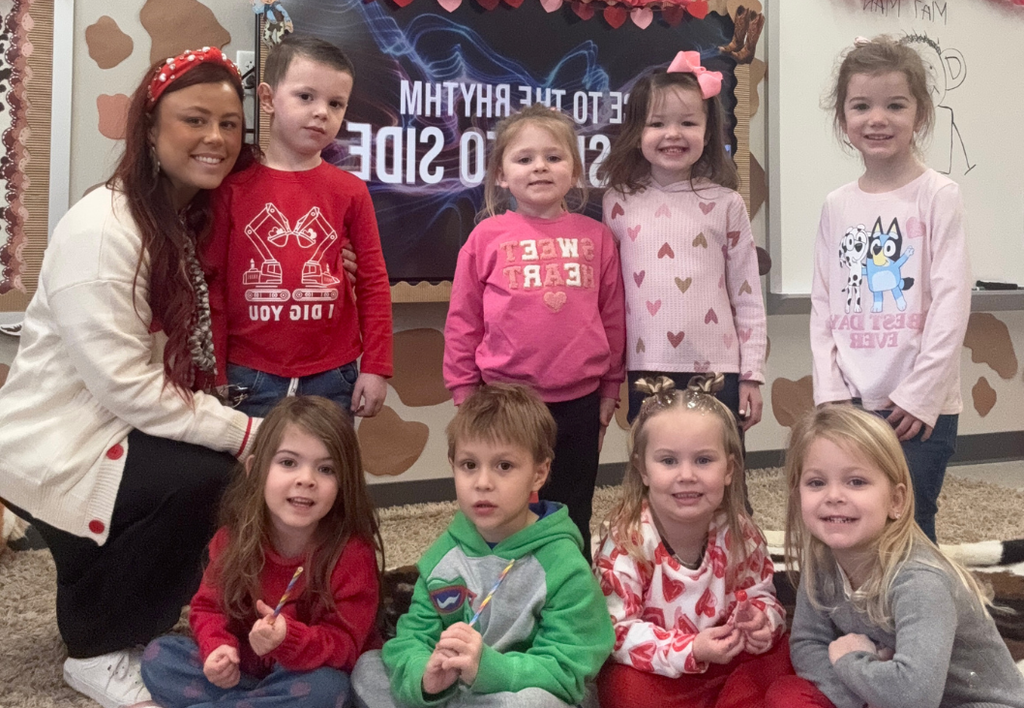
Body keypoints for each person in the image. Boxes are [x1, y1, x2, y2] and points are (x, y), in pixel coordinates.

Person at [0, 48, 260, 707]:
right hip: (62, 441)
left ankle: (109, 606)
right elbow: (128, 387)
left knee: (208, 468)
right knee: (212, 477)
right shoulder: (105, 228)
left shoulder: (175, 219)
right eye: (195, 119)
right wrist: (245, 433)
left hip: (105, 426)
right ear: (149, 128)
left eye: (230, 123)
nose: (216, 138)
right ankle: (96, 648)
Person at [350, 383, 615, 708]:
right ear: (452, 465)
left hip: (522, 689)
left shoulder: (564, 564)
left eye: (504, 466)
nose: (483, 483)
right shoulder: (444, 556)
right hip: (456, 691)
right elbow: (413, 637)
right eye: (469, 465)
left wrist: (489, 668)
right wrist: (425, 677)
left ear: (539, 473)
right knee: (369, 668)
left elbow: (569, 669)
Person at [443, 104, 626, 560]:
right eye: (524, 159)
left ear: (575, 171)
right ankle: (502, 585)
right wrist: (465, 394)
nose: (539, 167)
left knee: (572, 508)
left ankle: (569, 586)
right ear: (501, 175)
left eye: (553, 157)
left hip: (580, 404)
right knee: (504, 507)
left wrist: (610, 388)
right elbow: (463, 322)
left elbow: (613, 317)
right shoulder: (485, 238)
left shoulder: (598, 237)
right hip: (505, 402)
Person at [809, 36, 971, 543]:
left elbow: (951, 301)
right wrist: (830, 391)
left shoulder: (939, 195)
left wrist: (921, 394)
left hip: (918, 409)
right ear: (843, 119)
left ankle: (920, 600)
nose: (877, 119)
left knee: (911, 526)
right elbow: (824, 304)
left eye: (895, 105)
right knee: (850, 524)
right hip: (850, 400)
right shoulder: (837, 204)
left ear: (920, 114)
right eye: (861, 106)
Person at [767, 405, 1024, 708]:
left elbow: (914, 698)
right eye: (816, 483)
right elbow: (807, 643)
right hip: (889, 691)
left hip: (973, 703)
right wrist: (859, 695)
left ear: (896, 501)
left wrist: (851, 660)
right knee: (782, 693)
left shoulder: (920, 582)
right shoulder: (821, 560)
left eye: (856, 481)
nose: (833, 496)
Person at [141, 395, 383, 708]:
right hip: (247, 671)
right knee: (159, 657)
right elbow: (208, 608)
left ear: (343, 483)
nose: (306, 480)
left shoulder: (352, 554)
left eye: (326, 469)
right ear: (255, 469)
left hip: (306, 674)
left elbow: (346, 648)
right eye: (288, 462)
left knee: (329, 688)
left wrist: (288, 639)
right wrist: (217, 648)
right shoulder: (233, 539)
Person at [205, 33, 393, 419]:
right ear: (268, 99)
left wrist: (376, 366)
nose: (322, 112)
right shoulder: (229, 189)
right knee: (252, 462)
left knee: (327, 461)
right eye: (306, 96)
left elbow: (373, 281)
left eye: (336, 103)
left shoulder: (351, 191)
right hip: (248, 373)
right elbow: (213, 287)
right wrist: (214, 369)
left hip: (333, 374)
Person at [595, 375, 790, 708]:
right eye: (668, 461)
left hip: (727, 663)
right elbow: (616, 633)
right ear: (643, 470)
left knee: (784, 653)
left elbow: (763, 595)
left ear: (728, 470)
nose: (686, 475)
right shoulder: (627, 541)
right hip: (662, 672)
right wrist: (691, 650)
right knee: (623, 686)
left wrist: (762, 622)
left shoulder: (739, 531)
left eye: (703, 460)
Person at [599, 51, 767, 431]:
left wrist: (751, 374)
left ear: (707, 133)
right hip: (646, 366)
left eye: (688, 123)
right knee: (655, 460)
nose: (673, 134)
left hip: (718, 368)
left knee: (718, 460)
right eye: (657, 123)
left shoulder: (726, 204)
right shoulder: (618, 202)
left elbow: (747, 297)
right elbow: (609, 298)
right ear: (636, 132)